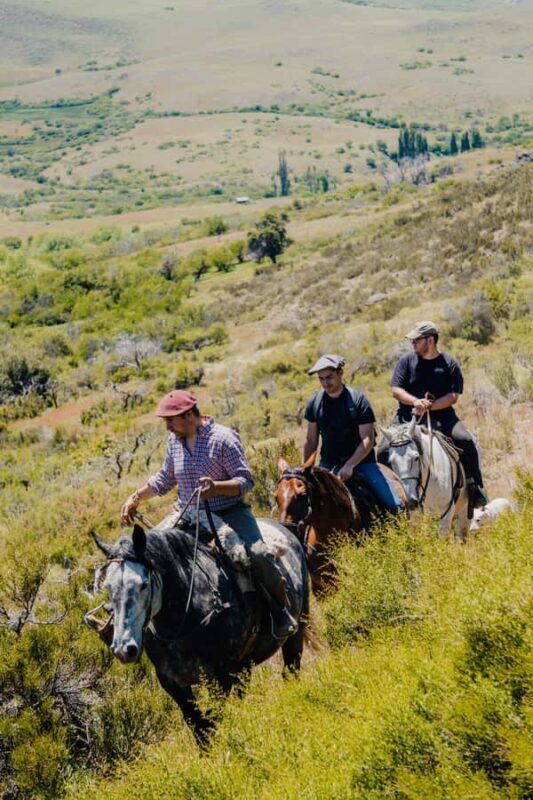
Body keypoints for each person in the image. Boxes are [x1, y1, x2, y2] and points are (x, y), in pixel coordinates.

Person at [121, 390, 297, 639]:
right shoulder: (174, 442)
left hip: (228, 512)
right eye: (166, 421)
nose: (168, 427)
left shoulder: (223, 439)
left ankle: (281, 610)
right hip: (186, 513)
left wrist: (216, 487)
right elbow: (165, 479)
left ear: (190, 415)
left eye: (171, 420)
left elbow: (245, 480)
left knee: (258, 554)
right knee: (146, 554)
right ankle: (128, 621)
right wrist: (136, 497)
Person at [387, 321, 487, 508]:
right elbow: (396, 390)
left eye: (417, 340)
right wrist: (416, 402)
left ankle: (475, 487)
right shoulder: (406, 362)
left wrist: (430, 407)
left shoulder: (449, 364)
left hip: (442, 415)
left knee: (465, 439)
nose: (413, 343)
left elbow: (453, 396)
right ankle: (391, 497)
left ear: (430, 340)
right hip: (408, 416)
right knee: (384, 449)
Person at [303, 354, 404, 514]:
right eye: (321, 379)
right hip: (328, 464)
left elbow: (367, 439)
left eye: (329, 377)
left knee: (394, 506)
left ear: (340, 373)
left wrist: (349, 465)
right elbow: (311, 441)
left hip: (362, 463)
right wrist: (305, 469)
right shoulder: (314, 403)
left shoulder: (358, 401)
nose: (325, 383)